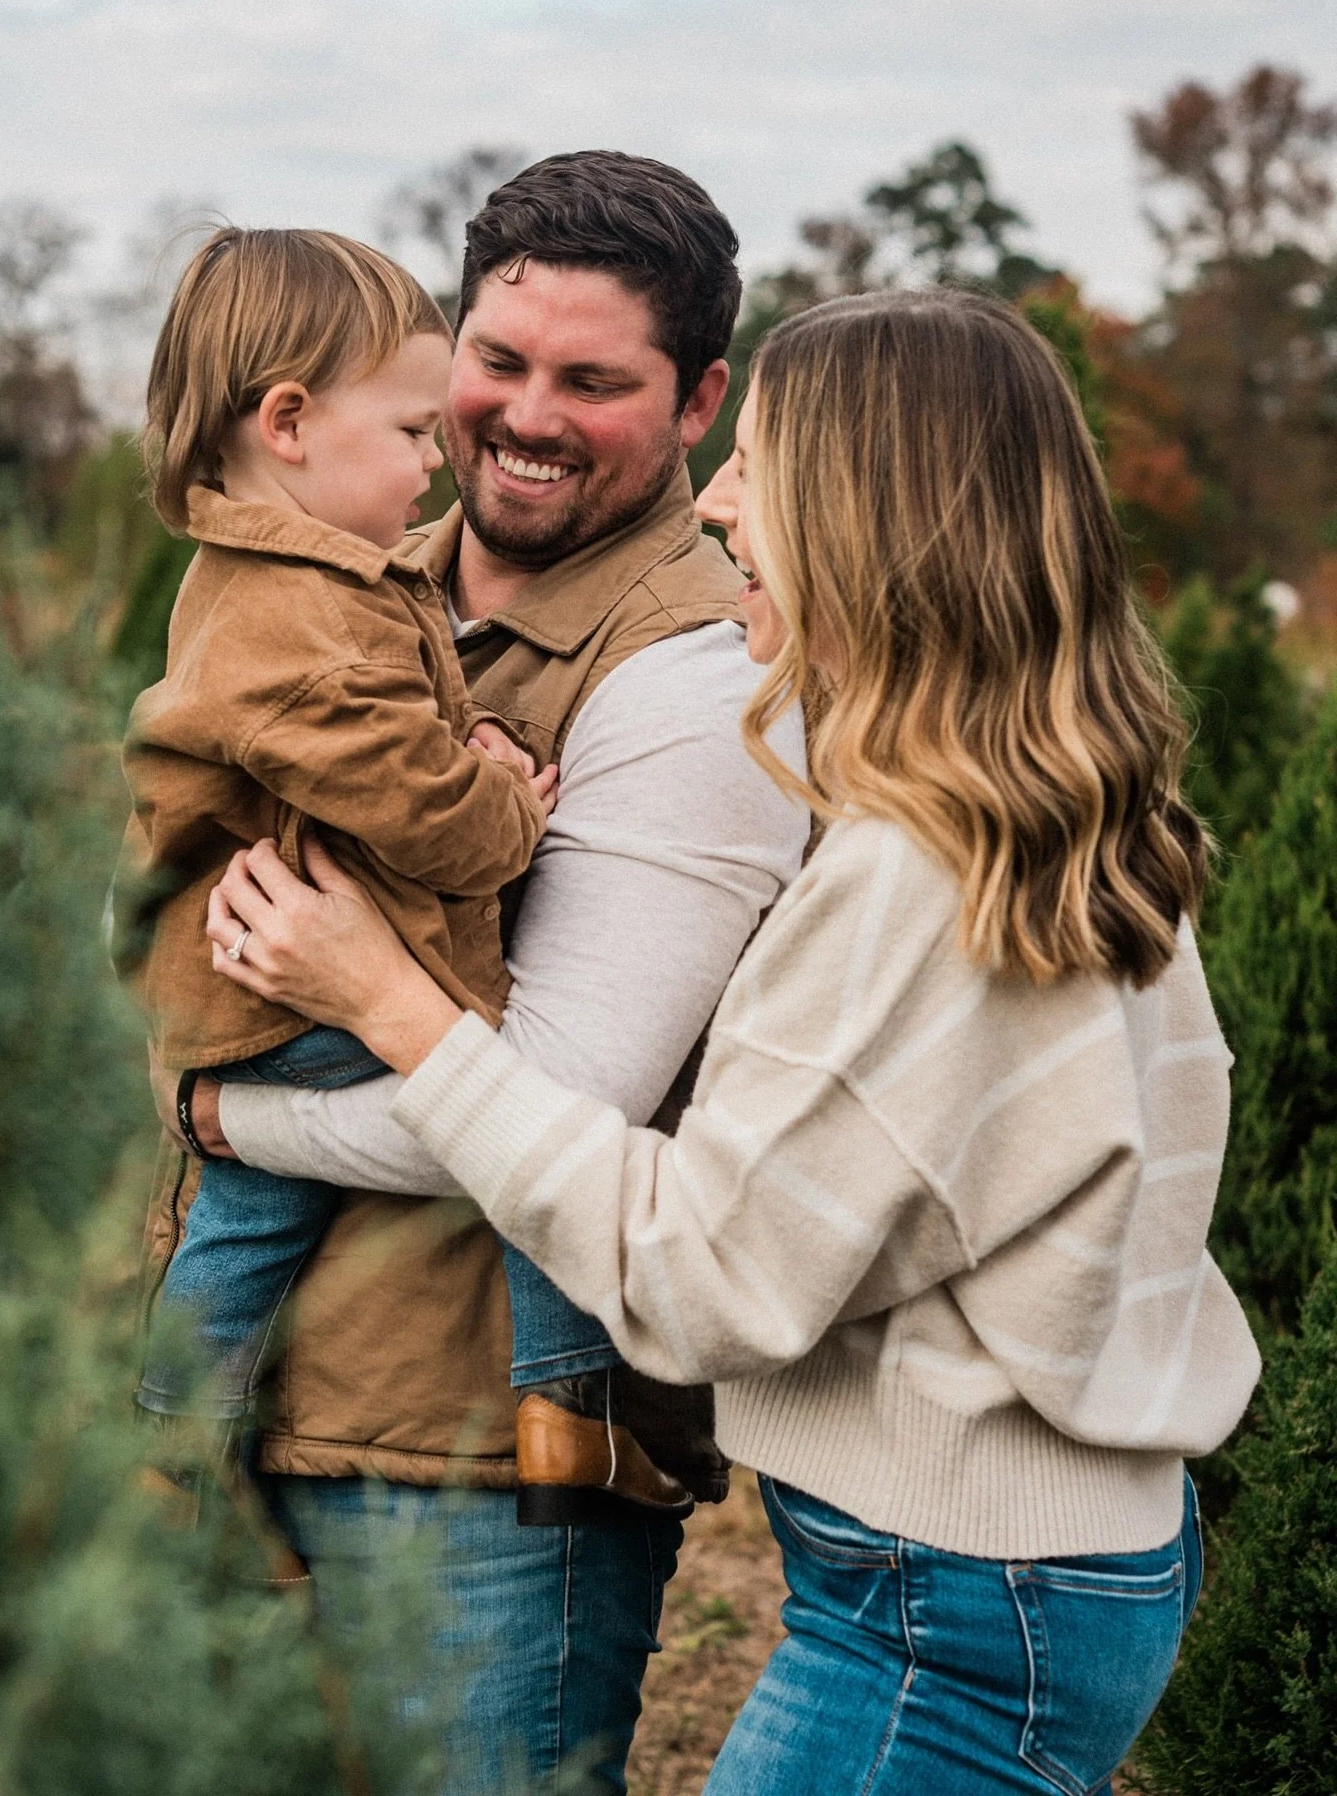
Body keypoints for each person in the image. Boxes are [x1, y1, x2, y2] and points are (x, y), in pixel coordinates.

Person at [201, 289, 1262, 1795]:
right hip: (1033, 1568)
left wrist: (393, 1008)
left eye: (756, 467)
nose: (714, 505)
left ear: (871, 517)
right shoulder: (1060, 811)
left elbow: (700, 1279)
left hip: (952, 1614)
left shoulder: (917, 877)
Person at [145, 153, 809, 1791]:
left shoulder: (696, 675)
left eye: (594, 383)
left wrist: (223, 1113)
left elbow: (562, 1103)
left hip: (474, 1484)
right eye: (497, 362)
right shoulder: (334, 580)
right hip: (271, 1407)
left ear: (701, 400)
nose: (525, 415)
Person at [120, 227, 561, 1469]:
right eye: (413, 430)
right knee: (541, 1125)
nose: (436, 459)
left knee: (250, 1216)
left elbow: (382, 739)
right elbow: (430, 818)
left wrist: (458, 739)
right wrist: (511, 801)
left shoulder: (271, 578)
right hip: (283, 1003)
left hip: (242, 990)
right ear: (290, 423)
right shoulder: (297, 614)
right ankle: (564, 1399)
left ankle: (174, 1446)